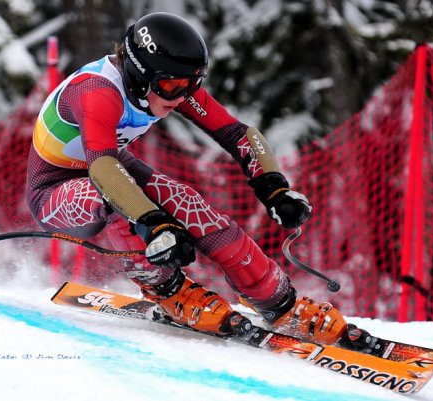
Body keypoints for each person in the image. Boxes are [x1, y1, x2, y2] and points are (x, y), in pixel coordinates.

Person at [27, 12, 376, 349]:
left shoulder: (167, 84)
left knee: (188, 203)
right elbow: (102, 171)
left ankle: (281, 304)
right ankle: (169, 292)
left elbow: (238, 133)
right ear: (139, 74)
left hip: (111, 169)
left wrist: (274, 186)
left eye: (191, 85)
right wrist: (155, 224)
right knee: (116, 198)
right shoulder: (98, 91)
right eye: (172, 86)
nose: (181, 95)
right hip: (56, 192)